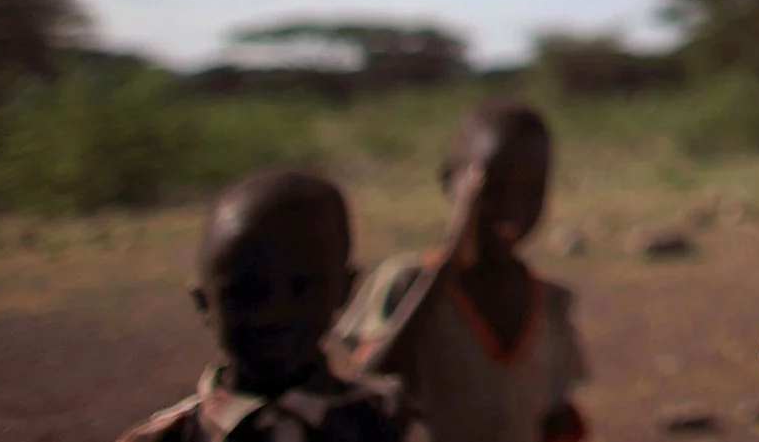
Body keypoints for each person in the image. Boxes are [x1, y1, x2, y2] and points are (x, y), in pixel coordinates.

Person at [334, 101, 589, 442]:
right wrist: (448, 260)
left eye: (532, 191)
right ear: (450, 182)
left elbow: (554, 414)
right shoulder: (406, 283)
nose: (513, 207)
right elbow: (371, 377)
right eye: (491, 189)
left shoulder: (550, 303)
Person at [117, 169, 409, 442]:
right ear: (204, 301)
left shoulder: (393, 422)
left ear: (344, 289)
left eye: (301, 287)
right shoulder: (166, 438)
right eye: (244, 292)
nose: (272, 314)